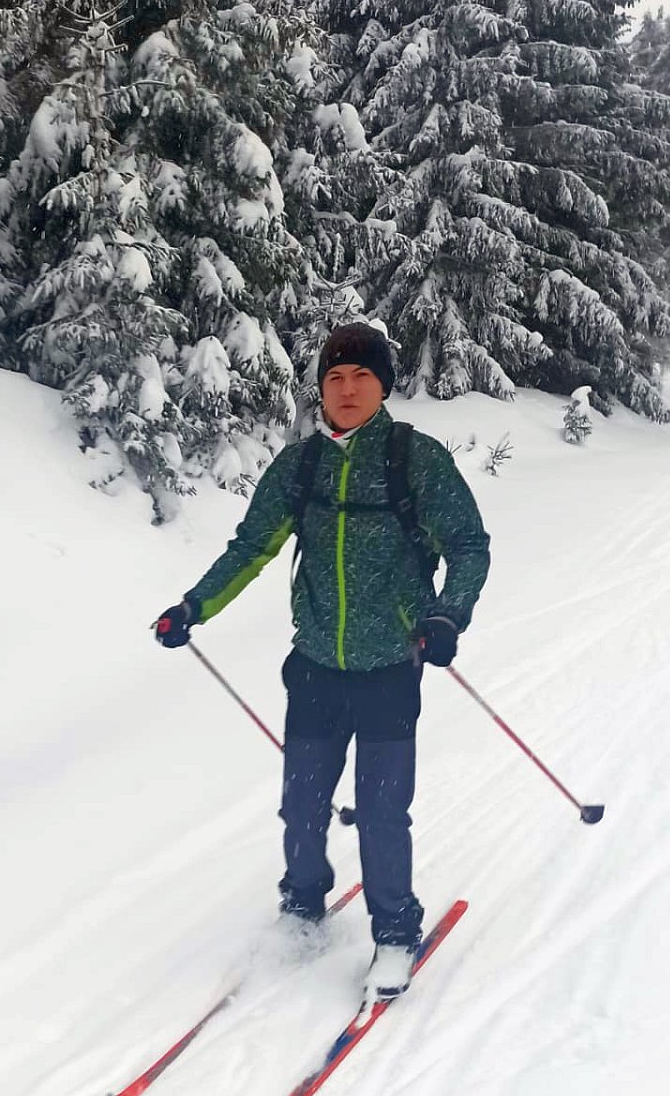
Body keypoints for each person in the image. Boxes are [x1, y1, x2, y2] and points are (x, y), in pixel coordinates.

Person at [154, 320, 491, 1004]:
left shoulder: (414, 459)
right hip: (313, 666)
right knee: (302, 805)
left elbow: (467, 545)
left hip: (390, 667)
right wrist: (193, 607)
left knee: (381, 811)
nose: (346, 388)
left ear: (383, 386)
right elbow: (251, 547)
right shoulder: (299, 465)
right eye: (334, 377)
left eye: (361, 376)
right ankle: (303, 906)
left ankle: (394, 932)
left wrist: (446, 614)